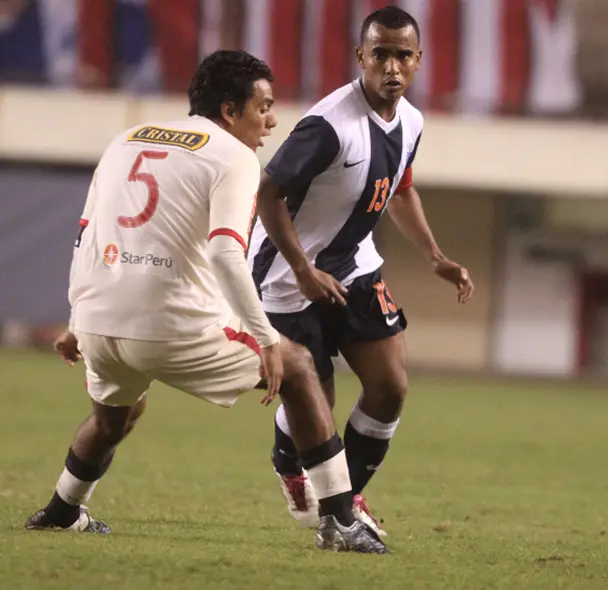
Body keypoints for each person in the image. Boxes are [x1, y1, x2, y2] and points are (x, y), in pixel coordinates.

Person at [22, 49, 386, 554]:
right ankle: (341, 521)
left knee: (116, 416)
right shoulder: (235, 156)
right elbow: (224, 254)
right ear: (231, 110)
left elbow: (85, 235)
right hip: (171, 326)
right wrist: (265, 339)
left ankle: (62, 510)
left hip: (98, 322)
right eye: (263, 107)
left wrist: (74, 320)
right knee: (299, 365)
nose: (272, 120)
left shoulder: (126, 139)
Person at [248, 6, 474, 533]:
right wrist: (303, 270)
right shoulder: (328, 126)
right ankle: (295, 469)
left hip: (354, 266)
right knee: (315, 402)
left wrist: (435, 255)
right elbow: (268, 193)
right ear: (361, 57)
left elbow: (400, 188)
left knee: (391, 385)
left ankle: (346, 498)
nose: (391, 67)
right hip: (287, 275)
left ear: (418, 61)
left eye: (402, 55)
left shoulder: (412, 121)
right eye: (381, 55)